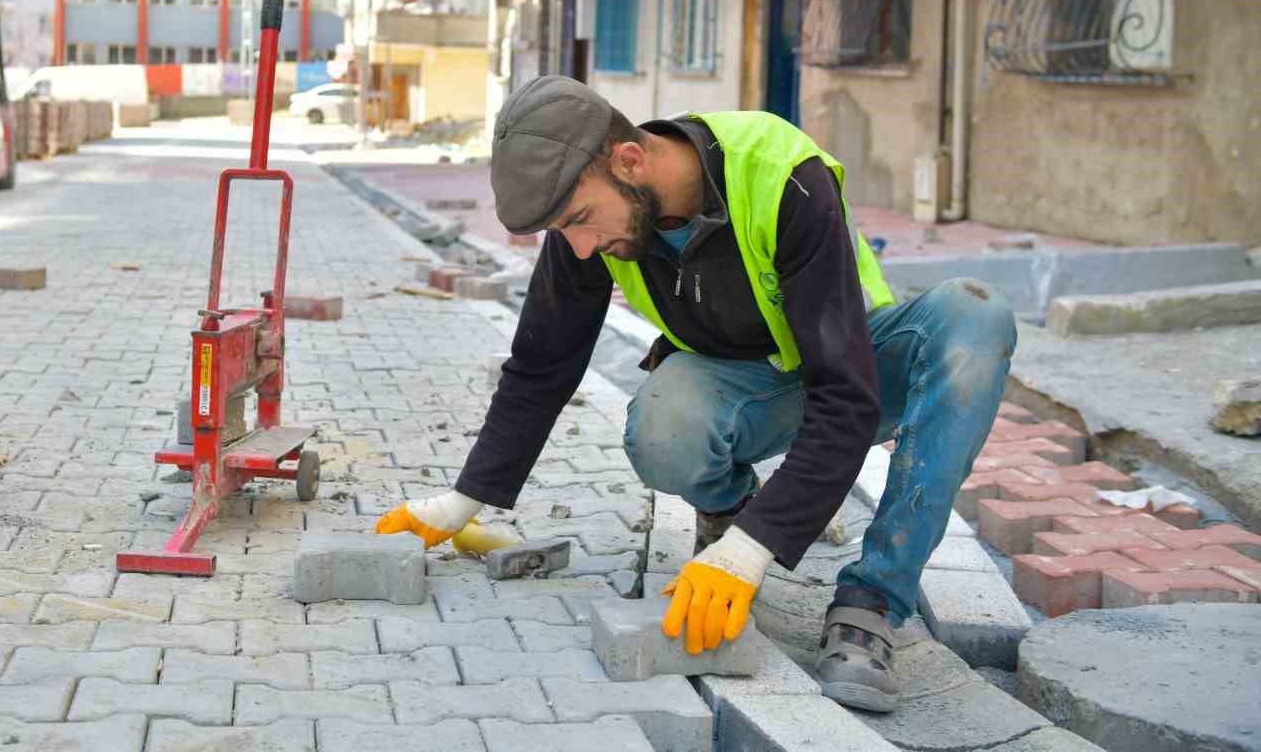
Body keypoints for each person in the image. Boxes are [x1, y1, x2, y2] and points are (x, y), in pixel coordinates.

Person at [377, 76, 1017, 713]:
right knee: (664, 426)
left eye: (579, 221)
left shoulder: (784, 176)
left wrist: (757, 549)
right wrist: (462, 501)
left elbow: (842, 396)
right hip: (749, 388)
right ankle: (731, 513)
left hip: (856, 368)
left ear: (630, 160)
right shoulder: (591, 213)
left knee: (975, 315)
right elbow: (542, 364)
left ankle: (871, 602)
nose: (580, 247)